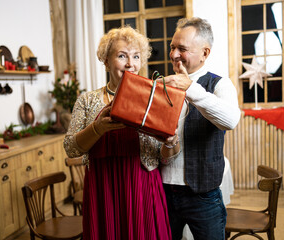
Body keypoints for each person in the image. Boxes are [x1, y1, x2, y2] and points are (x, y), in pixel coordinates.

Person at [64, 26, 178, 240]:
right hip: (102, 190)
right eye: (121, 56)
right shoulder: (87, 101)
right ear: (106, 60)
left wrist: (172, 142)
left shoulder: (156, 99)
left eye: (136, 56)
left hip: (143, 190)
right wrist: (98, 128)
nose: (130, 64)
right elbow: (70, 148)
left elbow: (167, 156)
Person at [160, 17, 241, 240]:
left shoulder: (220, 84)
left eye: (182, 49)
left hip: (204, 196)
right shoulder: (163, 85)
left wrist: (191, 90)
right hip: (162, 191)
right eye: (172, 47)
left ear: (205, 53)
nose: (174, 54)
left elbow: (230, 120)